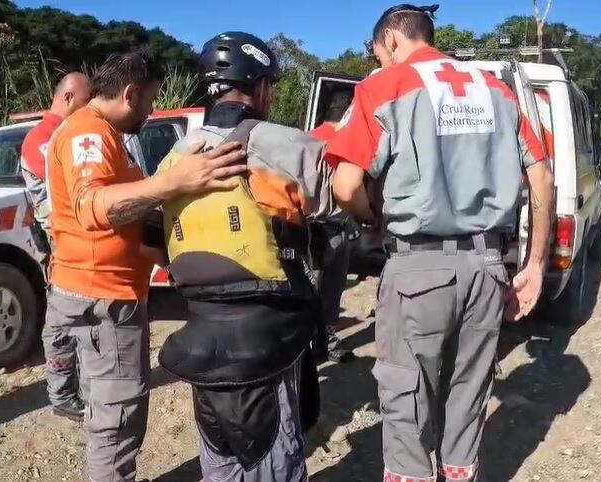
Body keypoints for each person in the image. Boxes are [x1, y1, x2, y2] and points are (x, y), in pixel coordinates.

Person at [326, 4, 555, 482]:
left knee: (407, 398)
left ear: (390, 39)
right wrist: (534, 263)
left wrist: (373, 219)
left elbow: (345, 186)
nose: (378, 63)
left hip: (418, 268)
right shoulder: (497, 91)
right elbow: (542, 177)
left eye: (376, 53)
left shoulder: (383, 87)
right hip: (488, 265)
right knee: (469, 391)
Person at [44, 52, 247, 482]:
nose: (152, 110)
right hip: (103, 298)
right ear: (131, 93)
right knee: (117, 421)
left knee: (111, 412)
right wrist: (174, 181)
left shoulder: (106, 136)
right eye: (150, 101)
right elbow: (91, 206)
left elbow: (128, 219)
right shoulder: (88, 134)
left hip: (100, 289)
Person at [153, 32, 338, 482]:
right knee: (275, 460)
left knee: (220, 462)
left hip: (201, 330)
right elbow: (339, 201)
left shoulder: (174, 159)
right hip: (267, 335)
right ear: (257, 86)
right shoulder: (289, 145)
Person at [20, 72, 91, 422]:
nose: (89, 107)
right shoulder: (44, 138)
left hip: (68, 245)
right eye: (84, 100)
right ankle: (62, 394)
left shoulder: (61, 135)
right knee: (61, 324)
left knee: (72, 322)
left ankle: (71, 388)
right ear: (67, 98)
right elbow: (58, 202)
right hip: (61, 246)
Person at [308, 91, 356, 364]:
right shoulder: (342, 140)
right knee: (327, 289)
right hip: (328, 226)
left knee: (320, 288)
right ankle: (318, 342)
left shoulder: (306, 138)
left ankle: (323, 343)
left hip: (319, 225)